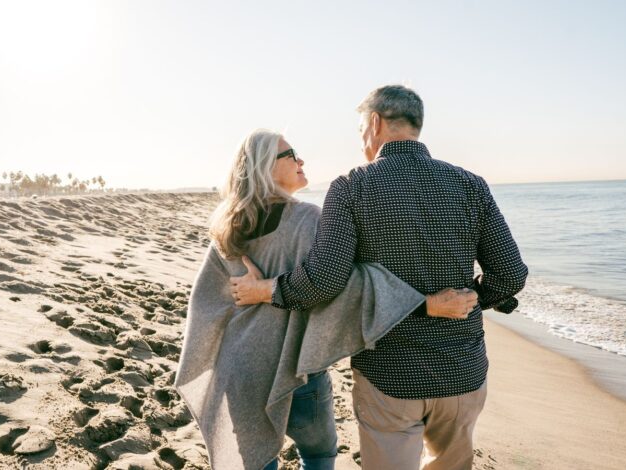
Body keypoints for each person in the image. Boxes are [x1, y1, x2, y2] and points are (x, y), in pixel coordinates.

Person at [231, 85, 528, 470]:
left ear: (374, 123)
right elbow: (510, 275)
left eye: (359, 131)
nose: (360, 142)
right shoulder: (470, 184)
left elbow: (324, 281)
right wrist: (472, 298)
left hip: (389, 373)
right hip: (463, 370)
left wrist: (267, 290)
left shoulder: (352, 187)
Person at [175, 129, 477, 470]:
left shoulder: (226, 225)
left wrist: (252, 297)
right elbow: (342, 286)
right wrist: (426, 303)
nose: (300, 160)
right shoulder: (306, 219)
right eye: (290, 155)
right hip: (296, 368)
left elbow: (207, 302)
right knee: (318, 454)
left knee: (256, 462)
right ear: (264, 167)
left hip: (240, 368)